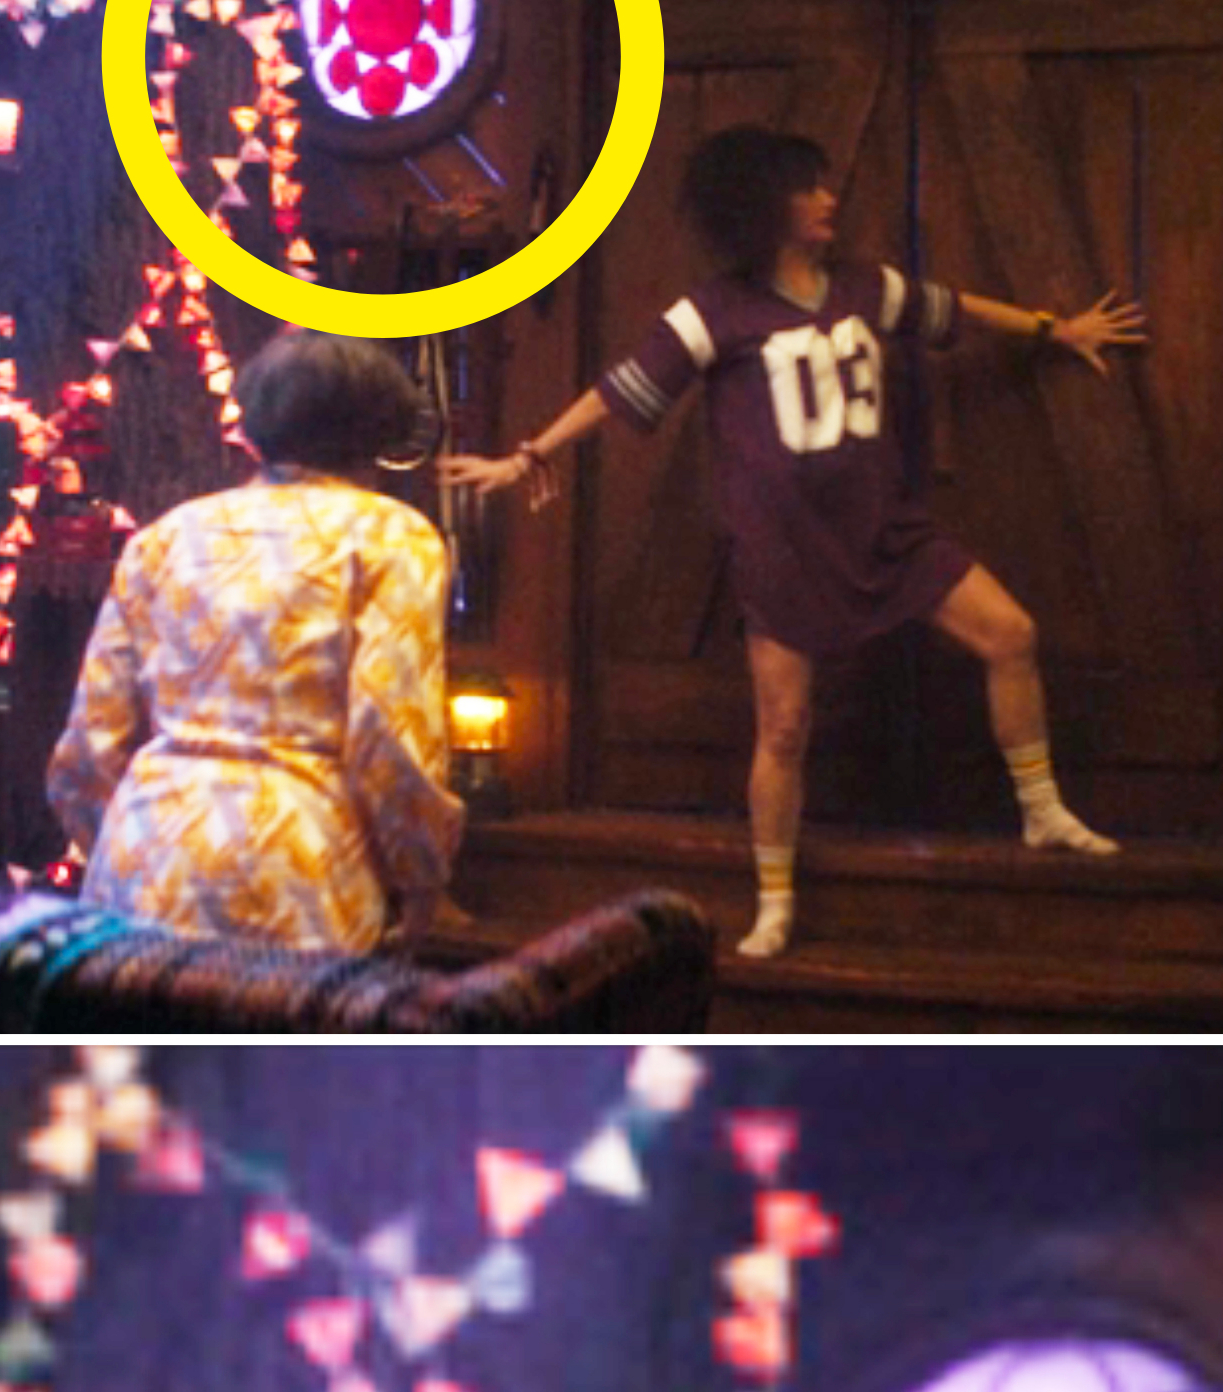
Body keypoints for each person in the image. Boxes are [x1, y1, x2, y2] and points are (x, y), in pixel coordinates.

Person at [439, 123, 1144, 957]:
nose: (827, 199)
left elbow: (949, 309)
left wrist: (1051, 329)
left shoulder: (861, 286)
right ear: (762, 206)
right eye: (807, 188)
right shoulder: (714, 312)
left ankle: (1042, 813)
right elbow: (620, 390)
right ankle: (774, 900)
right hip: (783, 548)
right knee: (783, 726)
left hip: (886, 530)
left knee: (1012, 634)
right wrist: (527, 456)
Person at [47, 329, 463, 953]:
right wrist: (422, 874)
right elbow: (390, 732)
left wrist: (130, 839)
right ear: (382, 428)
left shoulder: (163, 539)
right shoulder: (392, 539)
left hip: (140, 857)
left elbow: (87, 749)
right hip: (299, 869)